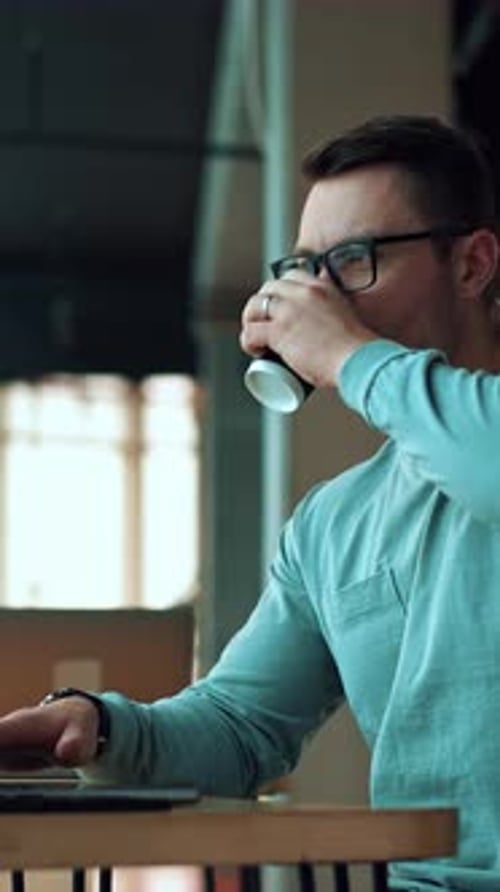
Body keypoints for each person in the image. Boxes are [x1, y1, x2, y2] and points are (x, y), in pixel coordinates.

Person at [1, 113, 500, 890]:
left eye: (355, 261)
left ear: (472, 264)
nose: (320, 300)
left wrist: (346, 355)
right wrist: (101, 727)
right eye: (306, 270)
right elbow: (239, 730)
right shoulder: (333, 525)